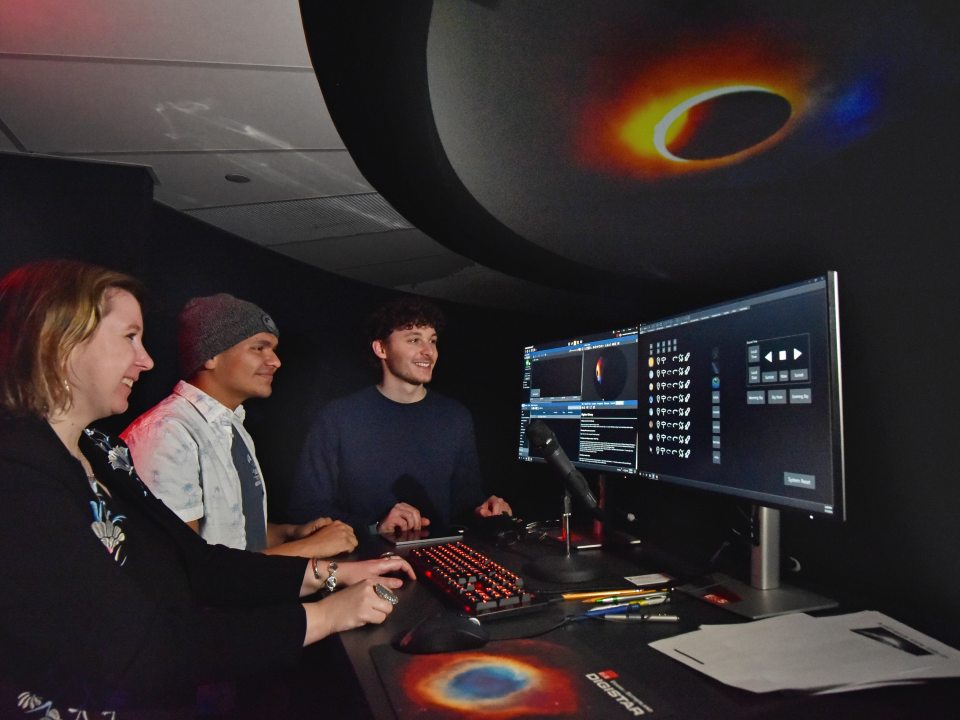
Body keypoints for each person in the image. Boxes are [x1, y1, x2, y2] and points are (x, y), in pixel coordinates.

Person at [0, 260, 413, 717]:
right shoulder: (16, 474)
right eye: (128, 337)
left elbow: (197, 562)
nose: (147, 359)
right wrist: (331, 612)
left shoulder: (101, 451)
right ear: (58, 342)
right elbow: (143, 646)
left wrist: (332, 573)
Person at [122, 293, 356, 557]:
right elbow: (182, 566)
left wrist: (291, 534)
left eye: (274, 350)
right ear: (210, 355)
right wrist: (308, 549)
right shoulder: (166, 433)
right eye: (259, 347)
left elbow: (234, 536)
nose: (275, 361)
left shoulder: (232, 428)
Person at [288, 296, 512, 535]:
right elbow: (305, 508)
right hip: (363, 562)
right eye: (414, 340)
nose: (428, 352)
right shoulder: (337, 418)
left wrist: (484, 510)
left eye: (432, 341)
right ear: (381, 348)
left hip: (438, 560)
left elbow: (466, 501)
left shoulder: (456, 417)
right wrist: (374, 526)